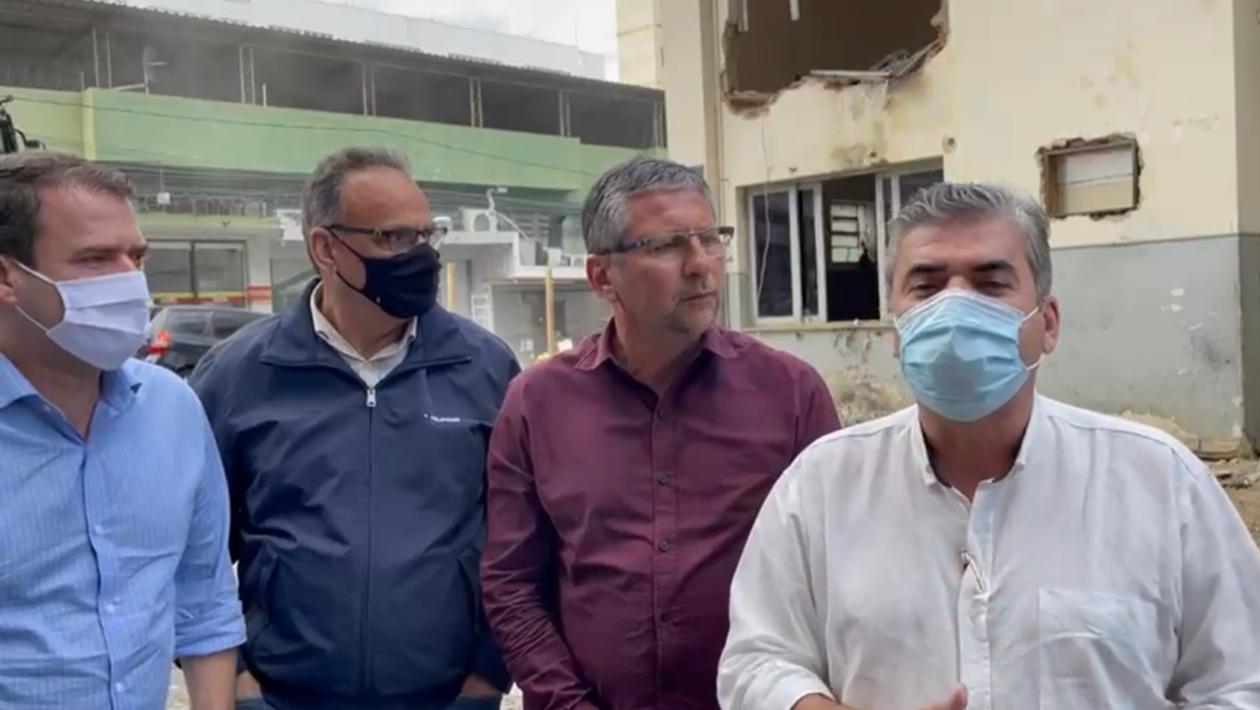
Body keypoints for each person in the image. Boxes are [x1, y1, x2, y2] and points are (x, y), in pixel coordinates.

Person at [718, 183, 1260, 710]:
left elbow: (1253, 678)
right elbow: (757, 660)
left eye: (990, 284)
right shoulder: (821, 485)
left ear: (1048, 323)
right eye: (927, 286)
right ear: (897, 330)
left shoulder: (1158, 482)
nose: (954, 309)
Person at [482, 156, 841, 710]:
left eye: (710, 239)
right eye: (667, 246)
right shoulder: (537, 403)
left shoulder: (790, 394)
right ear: (602, 276)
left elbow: (837, 570)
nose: (700, 265)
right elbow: (512, 584)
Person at [189, 147, 518, 710]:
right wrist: (238, 684)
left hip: (447, 698)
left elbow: (522, 540)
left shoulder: (485, 367)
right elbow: (193, 552)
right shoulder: (239, 375)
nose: (421, 256)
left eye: (427, 235)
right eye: (395, 238)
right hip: (282, 697)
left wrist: (487, 676)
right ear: (325, 248)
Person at [0, 152, 243, 709]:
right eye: (94, 258)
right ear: (7, 276)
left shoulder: (172, 409)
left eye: (136, 256)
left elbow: (204, 598)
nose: (131, 282)